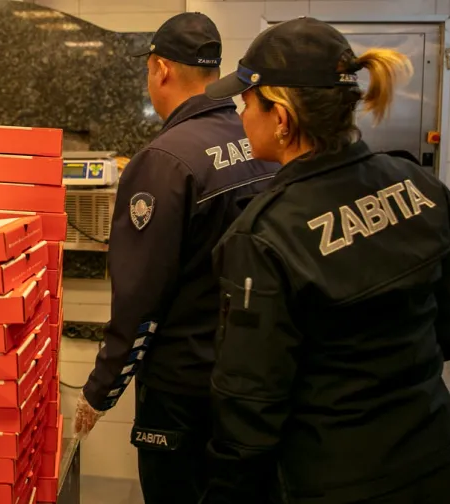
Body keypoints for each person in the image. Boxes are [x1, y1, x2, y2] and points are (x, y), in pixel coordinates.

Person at [201, 17, 450, 504]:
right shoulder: (421, 186)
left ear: (282, 118)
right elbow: (446, 334)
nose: (241, 114)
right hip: (438, 457)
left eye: (247, 102)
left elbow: (250, 411)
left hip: (336, 482)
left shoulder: (265, 236)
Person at [72, 13, 279, 504]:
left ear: (161, 69)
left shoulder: (164, 161)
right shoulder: (259, 138)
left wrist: (100, 389)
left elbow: (140, 297)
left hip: (182, 391)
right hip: (249, 375)